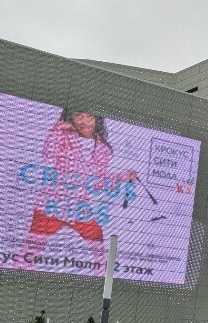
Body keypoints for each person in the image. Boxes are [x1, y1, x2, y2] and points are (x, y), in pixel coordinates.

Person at [19, 108, 137, 270]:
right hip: (51, 205)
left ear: (97, 120)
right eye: (78, 116)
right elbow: (48, 154)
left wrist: (122, 176)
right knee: (32, 248)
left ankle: (101, 281)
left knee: (97, 242)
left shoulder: (102, 148)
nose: (84, 121)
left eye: (89, 117)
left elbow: (98, 181)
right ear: (70, 117)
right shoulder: (63, 135)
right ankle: (19, 273)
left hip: (79, 209)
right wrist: (57, 129)